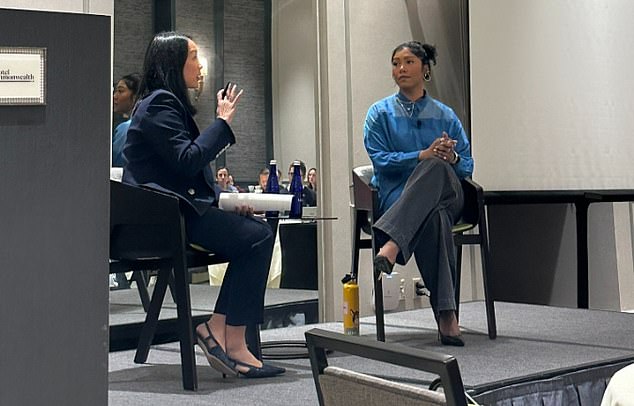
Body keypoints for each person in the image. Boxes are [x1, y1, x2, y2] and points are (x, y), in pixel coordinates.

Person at [122, 31, 285, 378]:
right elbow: (187, 160)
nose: (200, 65)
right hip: (163, 221)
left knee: (256, 234)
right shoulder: (159, 104)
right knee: (257, 237)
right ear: (173, 63)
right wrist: (222, 122)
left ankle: (220, 330)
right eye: (194, 57)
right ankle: (231, 340)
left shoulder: (162, 104)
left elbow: (183, 175)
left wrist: (225, 204)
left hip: (173, 214)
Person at [363, 41, 474, 346]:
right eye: (396, 62)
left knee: (438, 167)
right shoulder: (379, 113)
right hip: (398, 199)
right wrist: (421, 155)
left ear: (425, 69)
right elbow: (380, 161)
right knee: (434, 216)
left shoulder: (446, 115)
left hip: (448, 194)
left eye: (408, 62)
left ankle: (393, 244)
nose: (401, 68)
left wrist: (448, 157)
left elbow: (467, 166)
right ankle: (448, 317)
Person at [112, 73, 141, 167]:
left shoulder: (126, 128)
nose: (114, 96)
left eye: (120, 91)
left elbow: (114, 161)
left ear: (135, 96)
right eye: (115, 91)